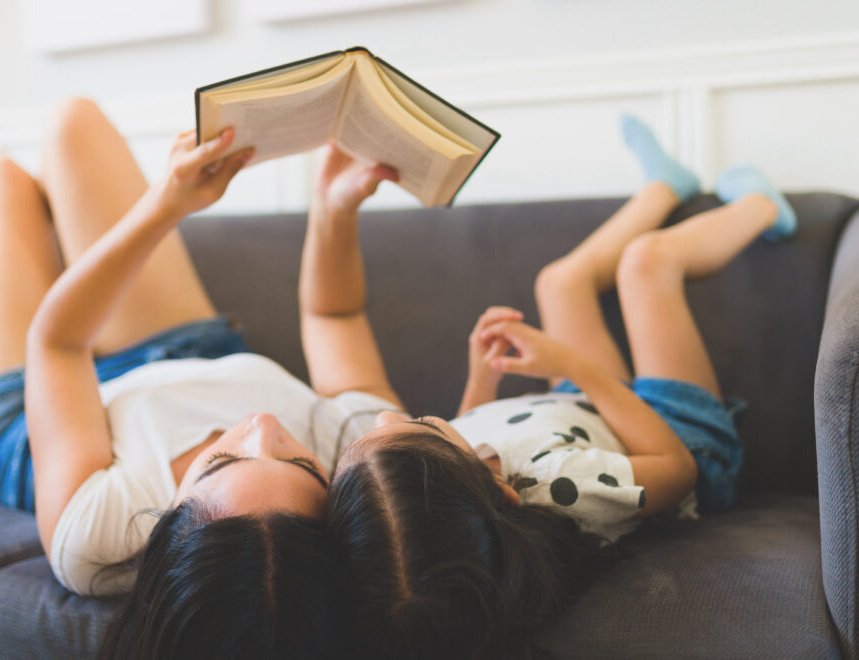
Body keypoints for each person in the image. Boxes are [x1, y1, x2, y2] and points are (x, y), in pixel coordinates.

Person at [0, 98, 403, 659]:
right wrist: (335, 207)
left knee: (1, 183)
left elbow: (60, 345)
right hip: (190, 355)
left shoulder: (101, 538)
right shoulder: (357, 455)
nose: (260, 426)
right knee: (75, 124)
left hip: (32, 417)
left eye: (225, 460)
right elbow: (336, 317)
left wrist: (165, 205)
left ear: (163, 524)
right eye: (297, 459)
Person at [325, 115, 798, 658]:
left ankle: (666, 188)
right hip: (677, 433)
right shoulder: (563, 484)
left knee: (560, 281)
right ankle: (763, 208)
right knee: (647, 266)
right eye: (415, 427)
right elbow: (677, 468)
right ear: (495, 484)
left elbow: (464, 430)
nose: (389, 417)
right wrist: (572, 362)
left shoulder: (450, 484)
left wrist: (482, 376)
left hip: (588, 403)